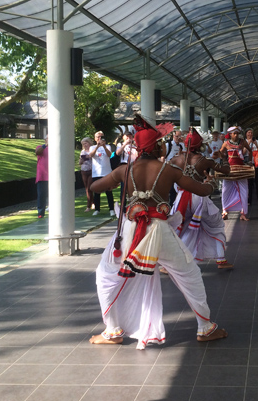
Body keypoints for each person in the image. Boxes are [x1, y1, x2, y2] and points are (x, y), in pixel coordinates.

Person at [89, 115, 227, 348]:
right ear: (155, 147)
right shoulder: (169, 170)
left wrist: (115, 181)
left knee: (105, 275)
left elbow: (94, 187)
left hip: (130, 231)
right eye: (161, 142)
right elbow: (202, 190)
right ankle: (205, 327)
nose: (164, 145)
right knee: (189, 274)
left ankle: (112, 330)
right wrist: (212, 182)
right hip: (160, 231)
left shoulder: (125, 170)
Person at [170, 128, 233, 269]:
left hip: (180, 199)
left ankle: (171, 263)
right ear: (201, 145)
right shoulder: (205, 161)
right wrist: (223, 158)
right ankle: (221, 259)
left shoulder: (175, 160)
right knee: (216, 226)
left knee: (178, 229)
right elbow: (226, 171)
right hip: (199, 197)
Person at [220, 126, 251, 221]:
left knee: (244, 190)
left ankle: (243, 213)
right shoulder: (226, 143)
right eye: (234, 133)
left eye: (237, 133)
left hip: (241, 169)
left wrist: (250, 162)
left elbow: (250, 150)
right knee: (225, 190)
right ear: (230, 134)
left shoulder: (243, 142)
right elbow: (221, 153)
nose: (236, 135)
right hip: (230, 169)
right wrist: (223, 157)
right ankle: (225, 210)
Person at [89, 130, 116, 217]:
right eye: (98, 137)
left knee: (109, 191)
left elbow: (109, 155)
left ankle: (111, 209)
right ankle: (97, 209)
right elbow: (91, 155)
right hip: (96, 173)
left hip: (106, 172)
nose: (100, 138)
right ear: (95, 138)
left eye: (101, 137)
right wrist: (97, 147)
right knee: (96, 192)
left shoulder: (108, 146)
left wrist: (104, 146)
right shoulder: (92, 147)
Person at [245, 128, 258, 206]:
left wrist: (256, 144)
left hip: (256, 162)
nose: (250, 134)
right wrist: (248, 143)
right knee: (248, 182)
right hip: (248, 163)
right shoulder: (244, 142)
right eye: (249, 132)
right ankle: (248, 200)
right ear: (246, 134)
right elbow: (244, 152)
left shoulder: (256, 141)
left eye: (251, 133)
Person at [115, 131, 137, 204]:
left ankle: (133, 203)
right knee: (124, 187)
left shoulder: (135, 145)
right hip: (124, 166)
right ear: (123, 137)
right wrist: (125, 144)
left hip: (134, 166)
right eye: (127, 136)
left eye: (130, 136)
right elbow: (118, 153)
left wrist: (134, 144)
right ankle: (123, 207)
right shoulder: (120, 144)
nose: (128, 138)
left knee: (134, 186)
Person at [35, 136, 48, 218]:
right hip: (42, 176)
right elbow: (37, 152)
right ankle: (40, 213)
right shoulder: (40, 147)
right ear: (45, 139)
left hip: (54, 176)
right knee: (41, 195)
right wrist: (46, 145)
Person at [79, 137, 93, 212]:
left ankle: (89, 206)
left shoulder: (92, 150)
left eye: (86, 143)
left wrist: (89, 156)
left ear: (89, 143)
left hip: (91, 170)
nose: (85, 145)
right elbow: (80, 162)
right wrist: (81, 160)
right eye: (83, 144)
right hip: (84, 170)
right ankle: (91, 203)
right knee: (87, 188)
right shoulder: (82, 152)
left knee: (90, 187)